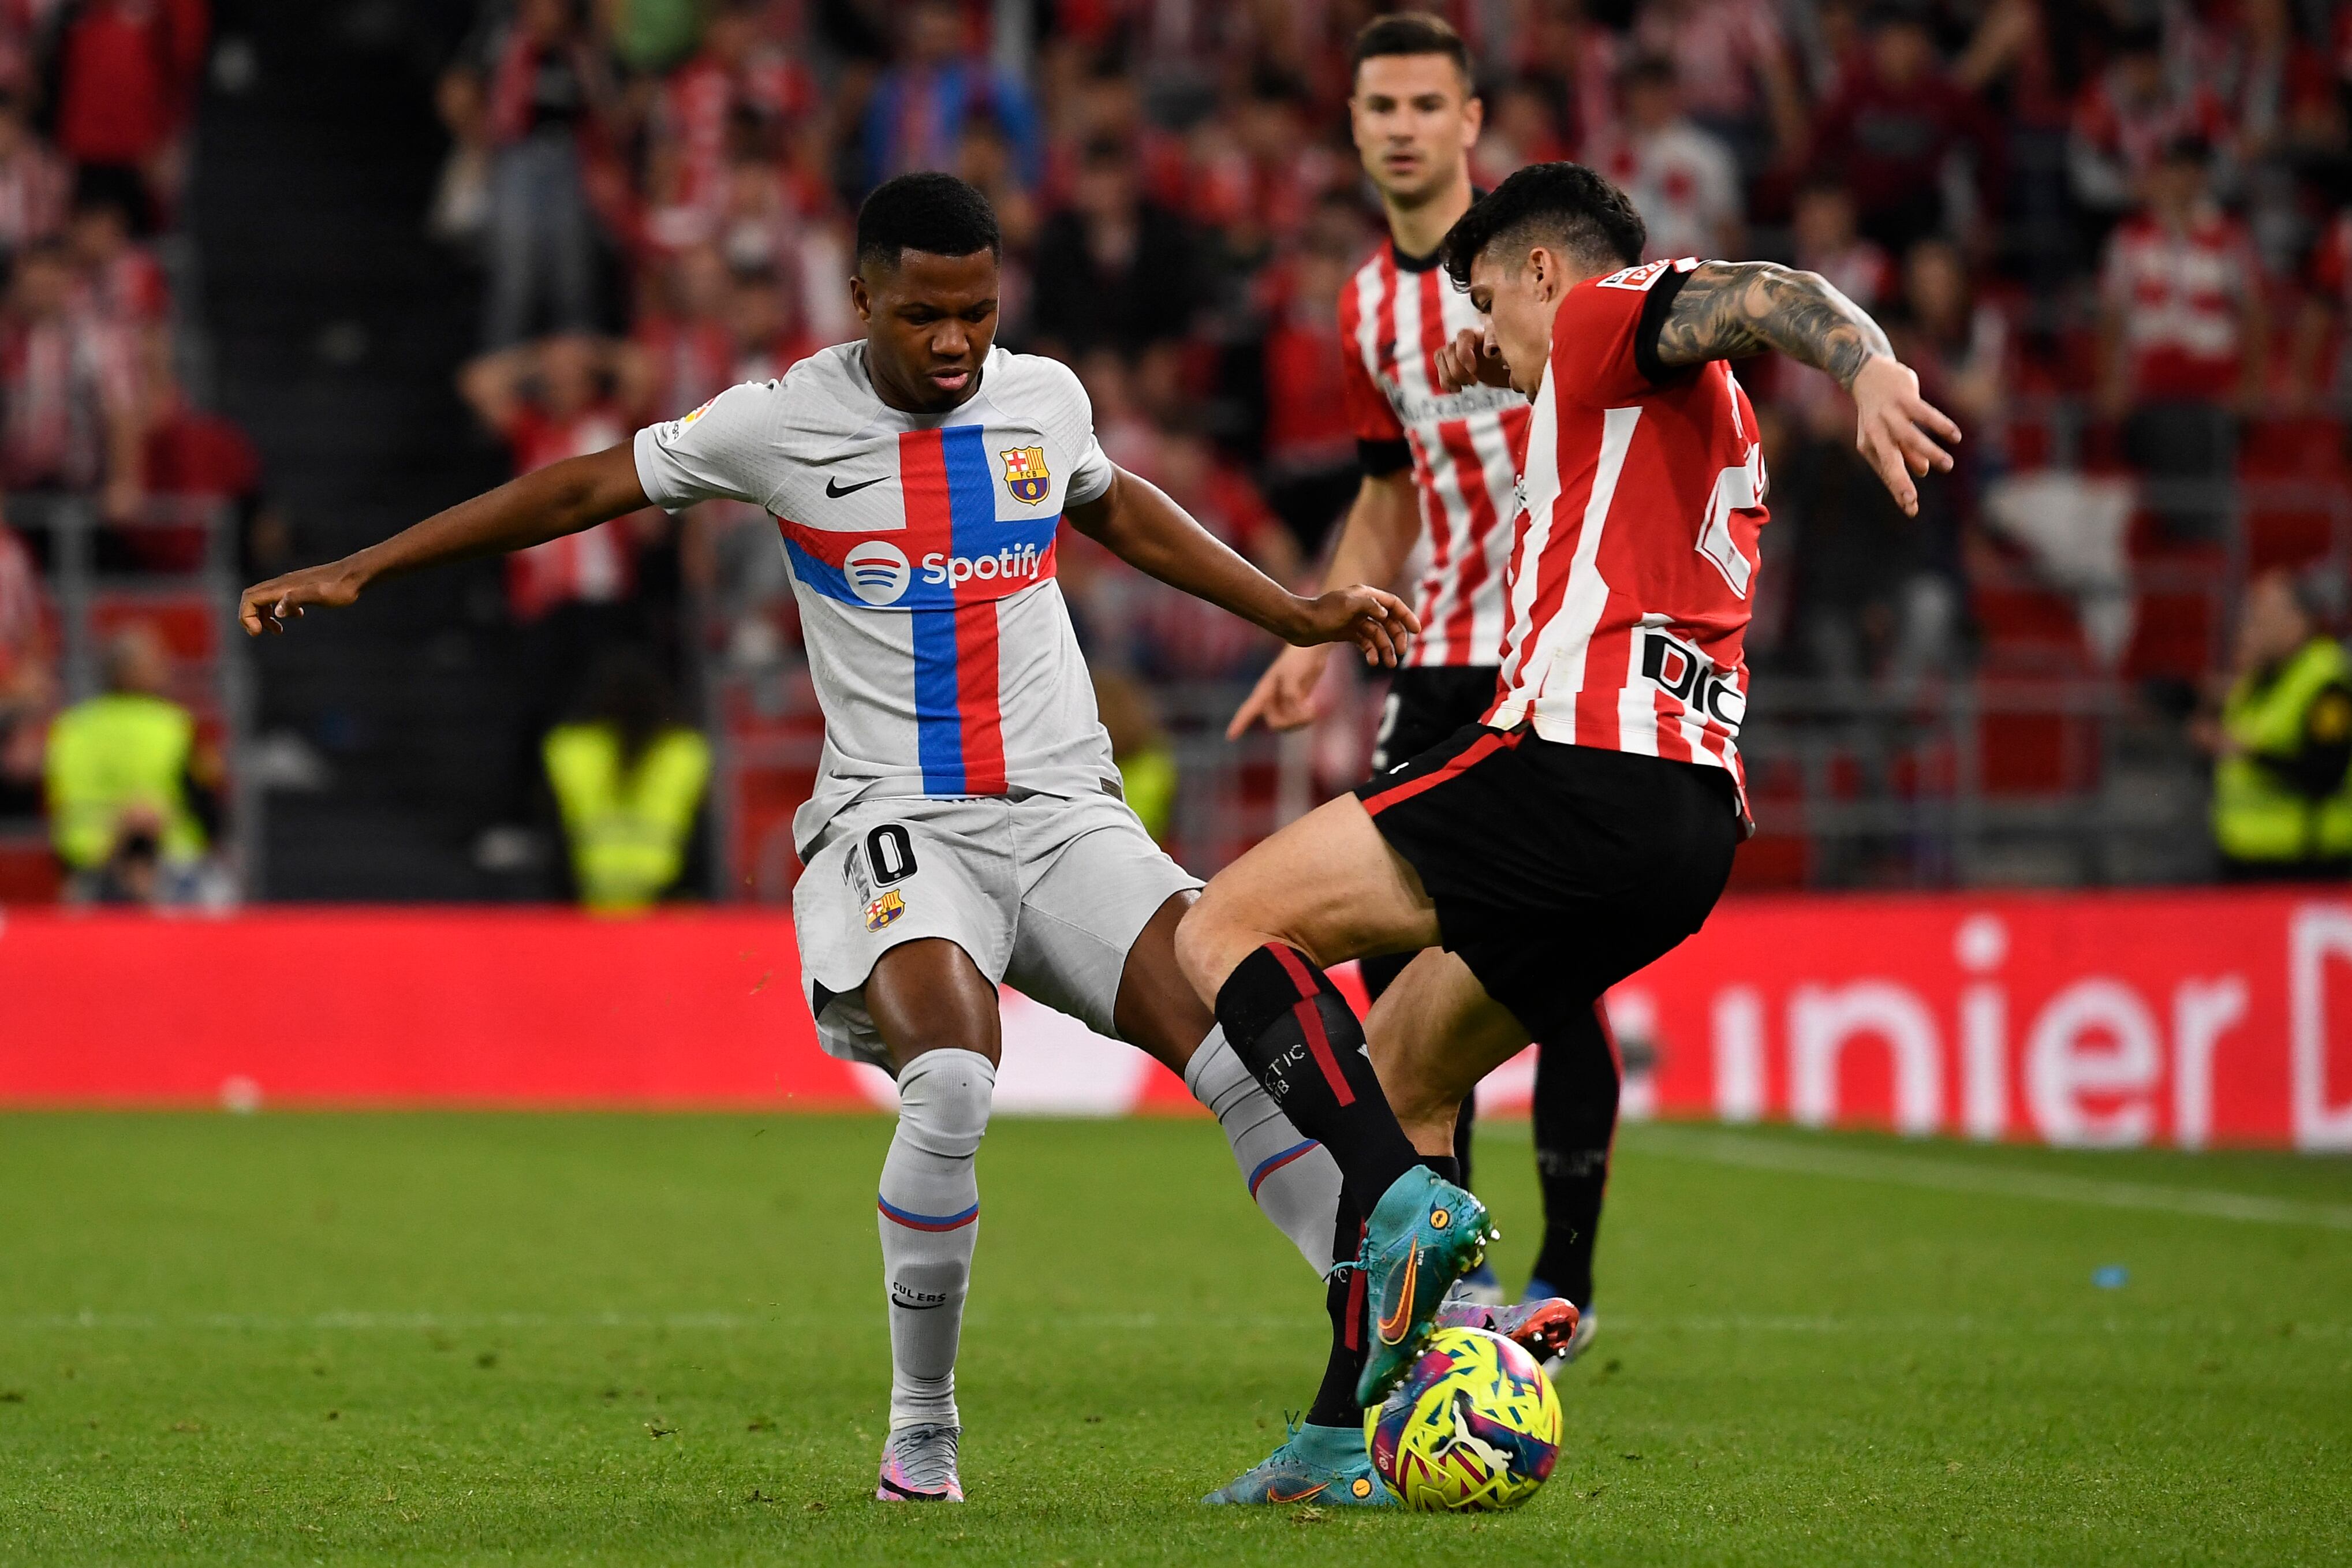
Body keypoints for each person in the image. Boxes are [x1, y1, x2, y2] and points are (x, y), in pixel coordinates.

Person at [237, 173, 1567, 1507]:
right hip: (901, 825)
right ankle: (921, 1429)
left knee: (1243, 1063)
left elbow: (1112, 505)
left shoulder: (1042, 399)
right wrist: (367, 567)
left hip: (1065, 817)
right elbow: (588, 484)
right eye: (924, 313)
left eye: (977, 312)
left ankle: (1403, 1361)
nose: (954, 340)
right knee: (949, 1085)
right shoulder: (781, 420)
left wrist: (1290, 612)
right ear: (862, 296)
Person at [1175, 163, 1958, 1442]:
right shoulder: (1675, 406)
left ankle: (1388, 1191)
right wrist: (1511, 371)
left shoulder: (1606, 311)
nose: (1487, 327)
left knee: (1223, 924)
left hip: (1576, 758)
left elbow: (1767, 291)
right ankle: (1345, 1432)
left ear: (1545, 268)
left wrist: (1865, 360)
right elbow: (1626, 378)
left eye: (1491, 295)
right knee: (1412, 1063)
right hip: (1689, 826)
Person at [1216, 16, 1606, 1507]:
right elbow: (1387, 492)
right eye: (1374, 104)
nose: (1396, 128)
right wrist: (1310, 625)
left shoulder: (1548, 275)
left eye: (1423, 104)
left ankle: (1555, 1285)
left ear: (1470, 118)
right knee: (1402, 1030)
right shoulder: (1367, 302)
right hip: (1435, 660)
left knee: (1546, 982)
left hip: (1551, 656)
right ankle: (1441, 1307)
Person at [44, 621, 221, 903]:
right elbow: (209, 810)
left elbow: (55, 803)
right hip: (170, 868)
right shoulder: (173, 726)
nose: (168, 666)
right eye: (157, 660)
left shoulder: (70, 728)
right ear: (129, 672)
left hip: (86, 870)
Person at [2194, 569, 2352, 878]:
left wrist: (2249, 753)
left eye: (2264, 617)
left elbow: (2325, 774)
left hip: (2307, 863)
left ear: (2298, 622)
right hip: (2243, 857)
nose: (2252, 627)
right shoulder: (2255, 681)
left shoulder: (2326, 684)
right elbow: (2224, 769)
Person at [542, 648, 712, 913]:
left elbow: (552, 833)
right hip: (668, 908)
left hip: (585, 906)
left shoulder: (569, 748)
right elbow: (703, 841)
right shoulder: (685, 751)